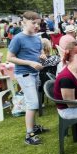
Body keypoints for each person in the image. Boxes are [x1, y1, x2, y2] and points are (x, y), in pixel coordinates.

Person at [7, 11, 49, 145]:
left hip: (35, 74)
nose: (37, 26)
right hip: (24, 74)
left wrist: (42, 56)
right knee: (33, 103)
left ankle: (34, 127)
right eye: (33, 23)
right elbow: (10, 58)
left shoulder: (37, 38)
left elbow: (39, 51)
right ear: (24, 22)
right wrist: (30, 63)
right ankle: (29, 134)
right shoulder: (18, 38)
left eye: (39, 23)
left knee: (34, 101)